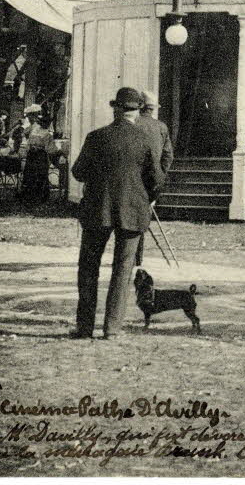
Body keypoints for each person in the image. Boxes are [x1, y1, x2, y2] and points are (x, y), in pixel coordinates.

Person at [70, 86, 164, 339]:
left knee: (89, 268)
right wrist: (147, 199)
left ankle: (84, 327)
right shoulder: (145, 141)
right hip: (133, 213)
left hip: (96, 211)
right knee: (122, 271)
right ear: (136, 112)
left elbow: (78, 172)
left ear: (116, 109)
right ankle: (112, 329)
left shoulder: (96, 137)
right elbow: (156, 179)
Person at [134, 89, 174, 266]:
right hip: (152, 181)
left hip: (132, 178)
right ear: (152, 109)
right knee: (143, 216)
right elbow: (168, 156)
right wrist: (159, 174)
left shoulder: (133, 123)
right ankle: (137, 258)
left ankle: (131, 257)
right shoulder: (161, 127)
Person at [17, 104, 55, 203]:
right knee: (38, 175)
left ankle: (32, 196)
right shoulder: (44, 133)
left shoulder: (36, 130)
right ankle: (38, 196)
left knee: (33, 174)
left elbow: (28, 141)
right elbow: (50, 149)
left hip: (34, 154)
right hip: (39, 154)